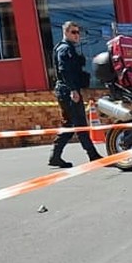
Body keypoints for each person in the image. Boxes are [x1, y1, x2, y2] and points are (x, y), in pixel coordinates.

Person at [49, 20, 101, 167]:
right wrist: (73, 90)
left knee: (71, 124)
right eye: (73, 32)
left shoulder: (68, 48)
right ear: (65, 32)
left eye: (78, 32)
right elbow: (64, 70)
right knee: (79, 124)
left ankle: (55, 156)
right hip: (68, 91)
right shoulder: (64, 49)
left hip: (68, 90)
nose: (77, 35)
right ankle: (92, 155)